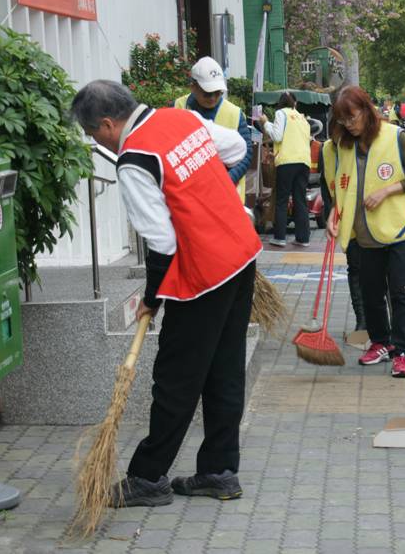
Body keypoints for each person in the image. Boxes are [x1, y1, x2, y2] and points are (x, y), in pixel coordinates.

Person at [71, 80, 262, 506]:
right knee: (224, 370)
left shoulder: (134, 159)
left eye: (92, 134)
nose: (96, 141)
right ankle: (219, 471)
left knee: (176, 378)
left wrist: (152, 298)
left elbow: (162, 244)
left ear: (106, 125)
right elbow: (234, 149)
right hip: (242, 255)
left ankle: (148, 477)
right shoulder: (182, 117)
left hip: (203, 274)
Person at [327, 86, 405, 378]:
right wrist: (335, 213)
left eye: (353, 117)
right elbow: (342, 184)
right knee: (371, 292)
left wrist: (387, 190)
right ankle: (380, 342)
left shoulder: (395, 137)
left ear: (366, 110)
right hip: (365, 232)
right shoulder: (344, 145)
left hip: (401, 228)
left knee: (401, 290)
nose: (349, 124)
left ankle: (401, 351)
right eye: (343, 120)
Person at [174, 56, 253, 203]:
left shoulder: (234, 113)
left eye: (218, 93)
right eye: (207, 93)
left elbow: (247, 155)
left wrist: (226, 182)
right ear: (193, 87)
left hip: (227, 197)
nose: (213, 98)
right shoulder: (178, 107)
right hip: (189, 197)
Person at [319, 132, 365, 332]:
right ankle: (362, 323)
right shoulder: (327, 149)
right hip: (344, 220)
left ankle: (381, 327)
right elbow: (325, 182)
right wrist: (331, 214)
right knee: (354, 270)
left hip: (368, 219)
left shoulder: (360, 145)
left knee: (375, 275)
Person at [259, 92, 312, 247]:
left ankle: (280, 237)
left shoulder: (281, 113)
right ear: (294, 103)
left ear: (280, 103)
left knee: (282, 199)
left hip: (287, 161)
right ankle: (303, 239)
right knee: (300, 200)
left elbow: (277, 136)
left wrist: (266, 122)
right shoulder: (302, 117)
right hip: (304, 161)